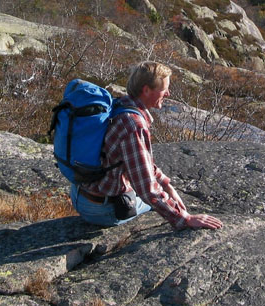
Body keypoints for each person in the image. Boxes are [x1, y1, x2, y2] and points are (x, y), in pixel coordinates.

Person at [70, 61, 223, 230]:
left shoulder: (121, 105)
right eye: (164, 89)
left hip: (81, 194)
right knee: (155, 204)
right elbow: (146, 187)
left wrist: (167, 185)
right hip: (100, 210)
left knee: (164, 196)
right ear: (146, 90)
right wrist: (184, 218)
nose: (168, 94)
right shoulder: (133, 124)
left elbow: (141, 163)